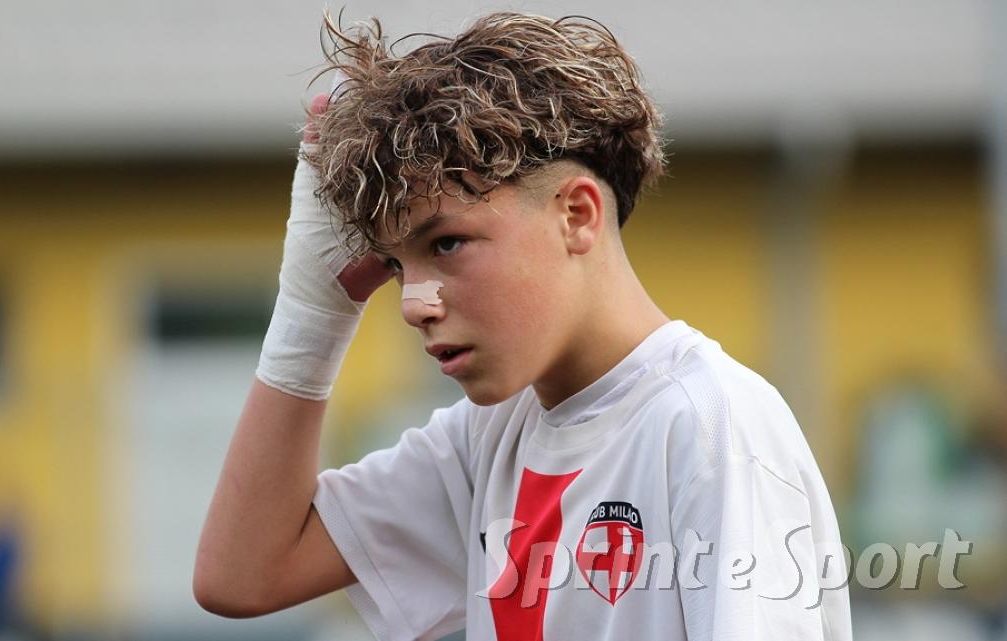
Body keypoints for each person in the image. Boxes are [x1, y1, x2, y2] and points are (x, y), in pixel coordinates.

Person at [194, 11, 852, 640]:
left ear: (577, 216)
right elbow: (243, 575)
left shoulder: (710, 429)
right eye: (396, 265)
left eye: (446, 243)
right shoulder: (492, 435)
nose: (413, 304)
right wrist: (313, 309)